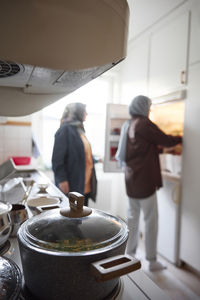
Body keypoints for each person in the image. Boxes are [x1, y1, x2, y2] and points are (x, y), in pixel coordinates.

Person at [115, 95, 182, 271]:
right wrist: (181, 138)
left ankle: (129, 255)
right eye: (149, 106)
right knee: (151, 221)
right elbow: (164, 140)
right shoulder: (144, 123)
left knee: (132, 219)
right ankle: (152, 261)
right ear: (143, 107)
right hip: (144, 182)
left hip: (131, 179)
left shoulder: (128, 124)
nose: (150, 110)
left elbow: (141, 147)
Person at [51, 102, 97, 206]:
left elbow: (82, 154)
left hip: (85, 185)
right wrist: (62, 180)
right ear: (77, 113)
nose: (87, 113)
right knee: (72, 219)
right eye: (84, 111)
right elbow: (57, 159)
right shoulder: (65, 130)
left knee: (82, 218)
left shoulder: (79, 130)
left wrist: (95, 160)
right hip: (73, 184)